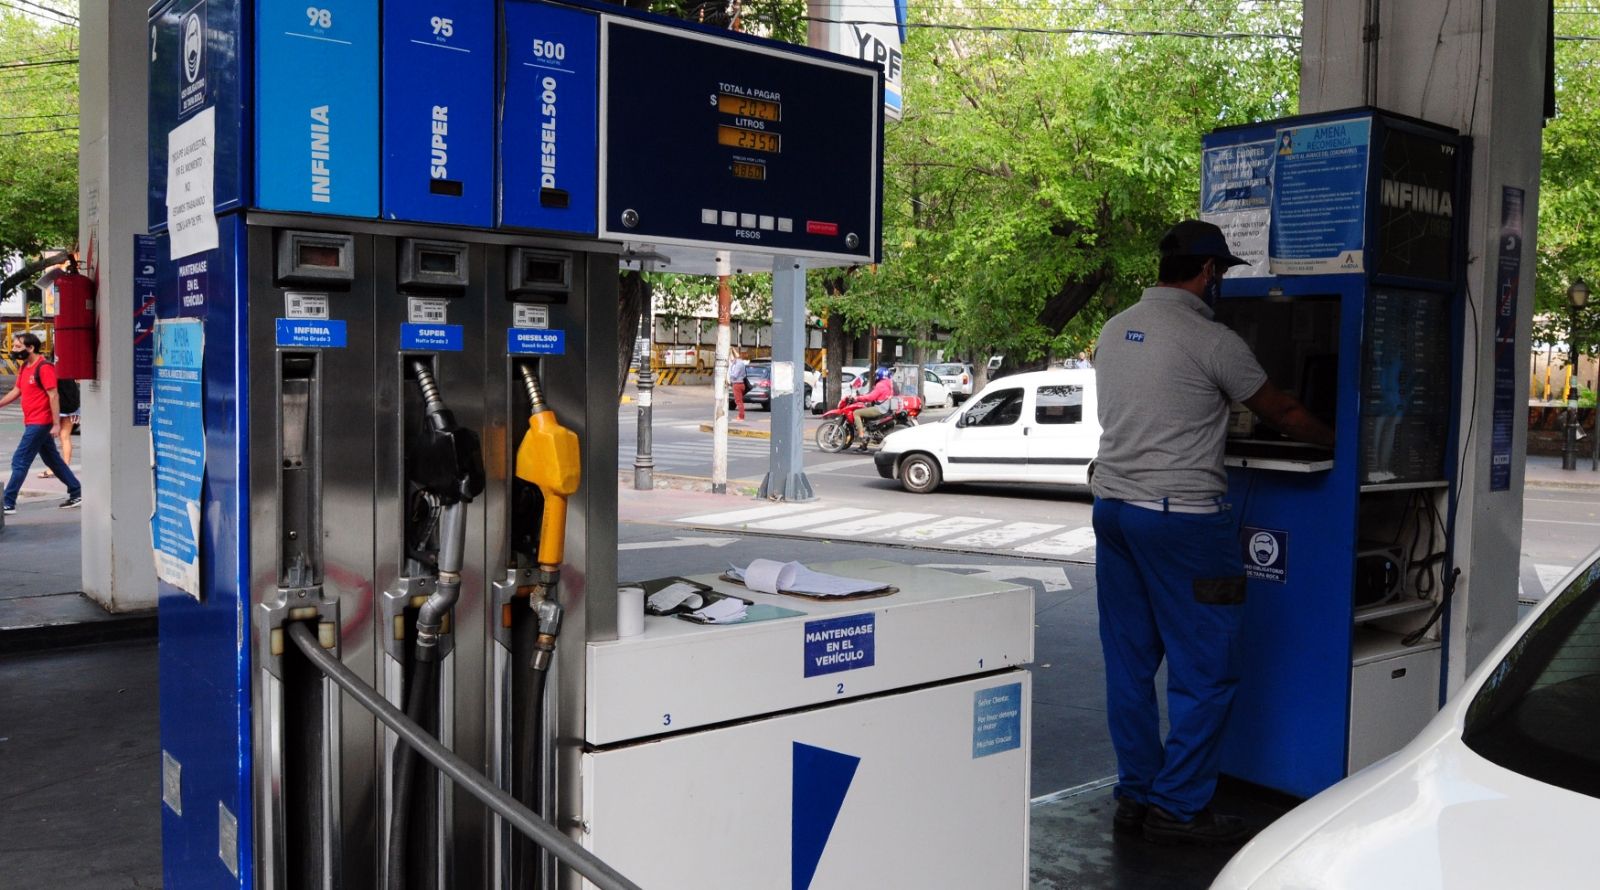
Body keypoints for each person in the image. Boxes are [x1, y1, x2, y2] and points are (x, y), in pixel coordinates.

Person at [1090, 220, 1332, 845]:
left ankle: (1135, 793)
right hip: (1184, 523)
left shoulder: (1114, 329)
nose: (1219, 281)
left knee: (1129, 664)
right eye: (1219, 271)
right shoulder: (1213, 339)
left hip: (1113, 512)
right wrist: (1345, 441)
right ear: (1207, 272)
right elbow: (1283, 411)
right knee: (1206, 671)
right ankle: (1177, 805)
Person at [2, 332, 84, 513]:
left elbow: (53, 396)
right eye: (14, 346)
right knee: (52, 460)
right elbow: (17, 390)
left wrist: (56, 424)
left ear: (31, 348)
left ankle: (8, 502)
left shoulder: (44, 367)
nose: (14, 350)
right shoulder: (25, 367)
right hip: (32, 420)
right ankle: (76, 491)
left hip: (41, 422)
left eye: (17, 346)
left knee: (20, 460)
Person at [39, 354, 79, 478]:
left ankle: (54, 468)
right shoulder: (70, 367)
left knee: (49, 440)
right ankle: (65, 467)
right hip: (72, 404)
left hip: (58, 406)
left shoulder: (50, 369)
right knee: (65, 437)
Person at [851, 367, 896, 451]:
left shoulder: (881, 384)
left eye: (876, 375)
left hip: (880, 408)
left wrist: (858, 398)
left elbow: (871, 397)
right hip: (886, 407)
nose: (875, 376)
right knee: (867, 420)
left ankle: (861, 435)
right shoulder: (889, 383)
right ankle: (864, 445)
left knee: (856, 413)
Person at [728, 348, 749, 421]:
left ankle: (741, 417)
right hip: (740, 383)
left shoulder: (738, 364)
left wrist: (729, 373)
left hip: (737, 384)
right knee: (739, 401)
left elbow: (735, 375)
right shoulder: (740, 363)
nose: (731, 359)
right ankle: (740, 416)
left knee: (738, 401)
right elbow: (744, 375)